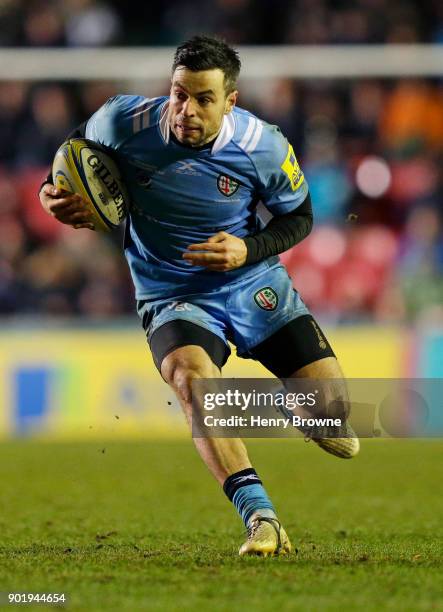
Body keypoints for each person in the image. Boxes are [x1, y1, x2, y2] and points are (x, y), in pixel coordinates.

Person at [39, 36, 359, 557]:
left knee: (335, 415)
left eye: (203, 99)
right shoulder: (122, 121)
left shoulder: (265, 146)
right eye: (178, 94)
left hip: (252, 281)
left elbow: (299, 217)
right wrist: (50, 196)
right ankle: (261, 519)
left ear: (230, 102)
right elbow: (69, 158)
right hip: (170, 291)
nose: (185, 110)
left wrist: (248, 249)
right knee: (191, 379)